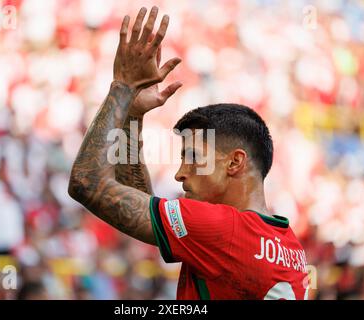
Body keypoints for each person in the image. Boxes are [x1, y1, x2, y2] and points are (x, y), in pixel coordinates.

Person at [68, 6, 309, 300]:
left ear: (235, 162)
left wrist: (122, 87)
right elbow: (140, 201)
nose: (180, 172)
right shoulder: (289, 245)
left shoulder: (222, 230)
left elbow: (86, 183)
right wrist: (132, 115)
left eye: (194, 157)